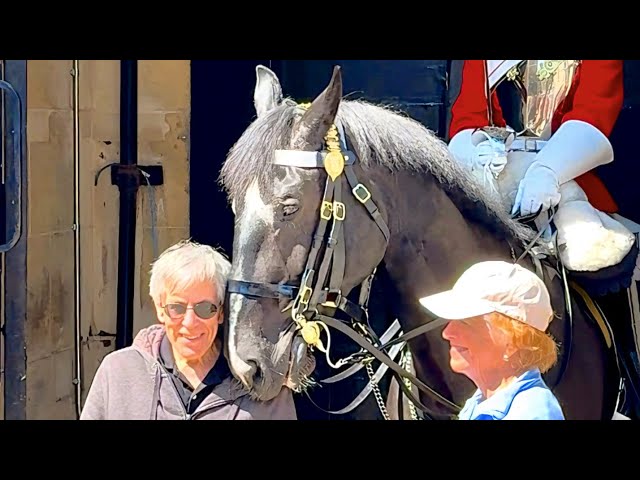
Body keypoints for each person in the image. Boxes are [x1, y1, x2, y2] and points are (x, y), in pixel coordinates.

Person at [446, 60, 636, 275]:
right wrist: (478, 152)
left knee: (592, 252)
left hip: (568, 175)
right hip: (500, 174)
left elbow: (594, 112)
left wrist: (548, 170)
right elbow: (467, 117)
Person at [80, 239, 297, 420]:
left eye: (205, 308)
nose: (190, 322)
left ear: (221, 312)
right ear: (160, 309)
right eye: (177, 307)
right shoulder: (119, 371)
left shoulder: (261, 383)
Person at [419, 260, 565, 420]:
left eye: (465, 322)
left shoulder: (532, 413)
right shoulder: (482, 401)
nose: (447, 333)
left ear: (513, 341)